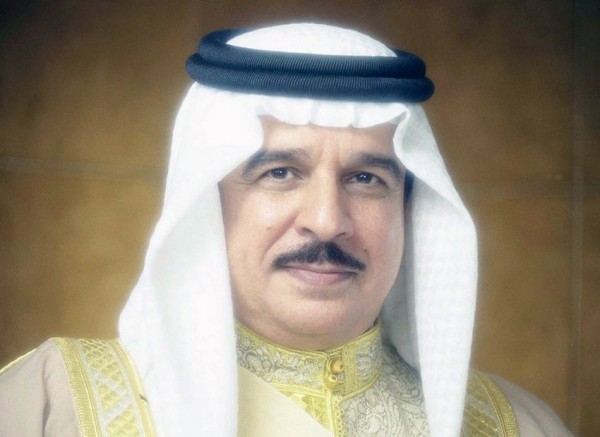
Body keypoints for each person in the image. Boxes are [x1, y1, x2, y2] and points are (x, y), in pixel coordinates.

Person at [0, 23, 572, 437]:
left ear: (410, 210)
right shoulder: (57, 406)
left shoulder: (517, 426)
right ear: (207, 204)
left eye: (366, 178)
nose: (326, 220)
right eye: (280, 173)